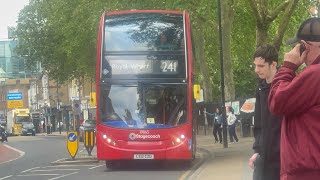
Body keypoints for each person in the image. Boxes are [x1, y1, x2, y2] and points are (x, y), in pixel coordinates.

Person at [268, 17, 320, 180]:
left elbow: (277, 102)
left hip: (307, 171)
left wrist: (288, 67)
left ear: (305, 46)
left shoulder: (314, 74)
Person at [249, 45, 282, 180]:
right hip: (264, 156)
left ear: (273, 64)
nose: (257, 70)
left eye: (261, 66)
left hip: (282, 157)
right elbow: (259, 122)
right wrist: (257, 151)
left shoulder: (285, 85)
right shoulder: (261, 87)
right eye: (255, 65)